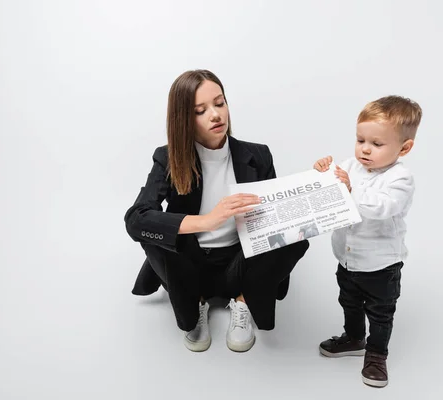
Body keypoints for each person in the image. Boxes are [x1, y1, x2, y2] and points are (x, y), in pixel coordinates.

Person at [124, 69, 309, 352]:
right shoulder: (167, 158)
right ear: (183, 118)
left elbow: (276, 214)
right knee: (156, 235)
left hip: (239, 260)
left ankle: (244, 301)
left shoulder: (258, 155)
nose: (215, 115)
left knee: (295, 237)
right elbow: (136, 219)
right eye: (201, 110)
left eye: (220, 103)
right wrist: (207, 221)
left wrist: (329, 186)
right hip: (190, 262)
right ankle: (194, 301)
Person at [313, 95, 422, 387]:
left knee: (380, 312)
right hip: (347, 260)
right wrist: (324, 172)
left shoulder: (401, 178)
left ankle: (376, 353)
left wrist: (349, 189)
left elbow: (383, 207)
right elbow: (331, 189)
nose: (365, 149)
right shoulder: (350, 166)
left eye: (376, 144)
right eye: (361, 140)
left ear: (404, 147)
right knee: (349, 301)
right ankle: (353, 337)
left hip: (381, 264)